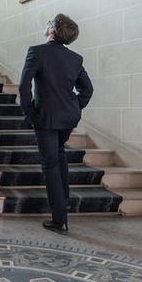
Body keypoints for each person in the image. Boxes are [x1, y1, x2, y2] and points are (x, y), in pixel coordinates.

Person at [19, 13, 93, 234]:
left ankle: (59, 219)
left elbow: (24, 86)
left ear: (52, 30)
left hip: (47, 119)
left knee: (50, 164)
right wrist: (74, 106)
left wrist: (29, 112)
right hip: (68, 119)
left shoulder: (37, 52)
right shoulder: (75, 58)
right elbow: (87, 90)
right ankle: (65, 199)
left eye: (49, 23)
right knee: (59, 155)